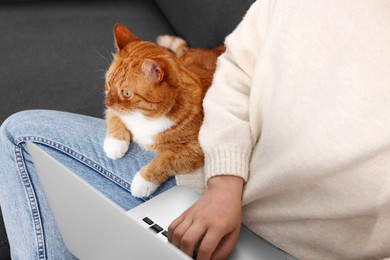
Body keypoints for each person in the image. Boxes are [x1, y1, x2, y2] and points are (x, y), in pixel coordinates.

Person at [1, 0, 390, 259]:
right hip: (210, 185)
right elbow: (234, 70)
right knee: (21, 133)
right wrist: (224, 181)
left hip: (302, 248)